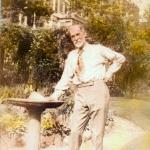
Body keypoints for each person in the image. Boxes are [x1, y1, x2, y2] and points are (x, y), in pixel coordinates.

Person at [45, 24, 126, 150]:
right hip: (80, 93)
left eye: (78, 34)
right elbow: (66, 77)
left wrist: (109, 73)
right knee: (74, 132)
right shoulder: (72, 55)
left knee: (97, 134)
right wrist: (55, 95)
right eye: (73, 36)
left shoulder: (97, 49)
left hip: (97, 91)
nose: (76, 38)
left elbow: (120, 58)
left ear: (84, 34)